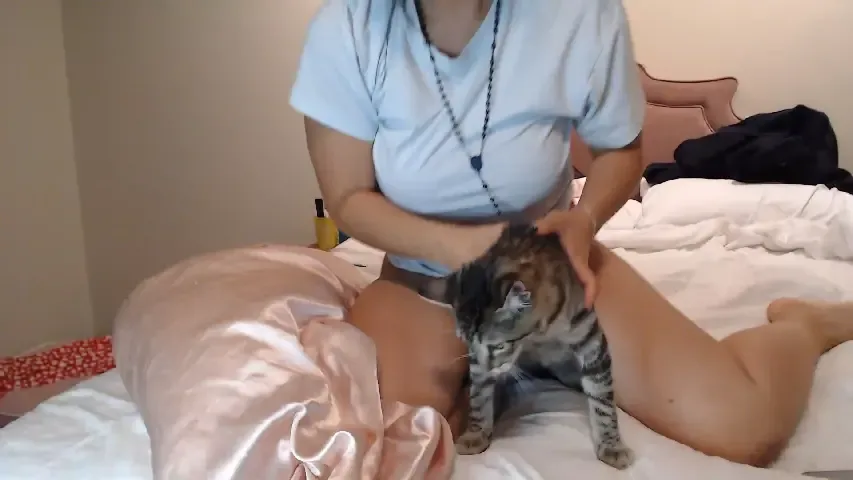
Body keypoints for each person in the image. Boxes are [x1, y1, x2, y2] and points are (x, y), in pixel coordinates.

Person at [290, 0, 853, 467]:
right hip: (424, 286)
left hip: (555, 271)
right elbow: (347, 199)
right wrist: (465, 249)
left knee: (745, 427)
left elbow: (621, 154)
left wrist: (584, 221)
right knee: (387, 453)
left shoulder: (581, 15)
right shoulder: (348, 31)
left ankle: (803, 325)